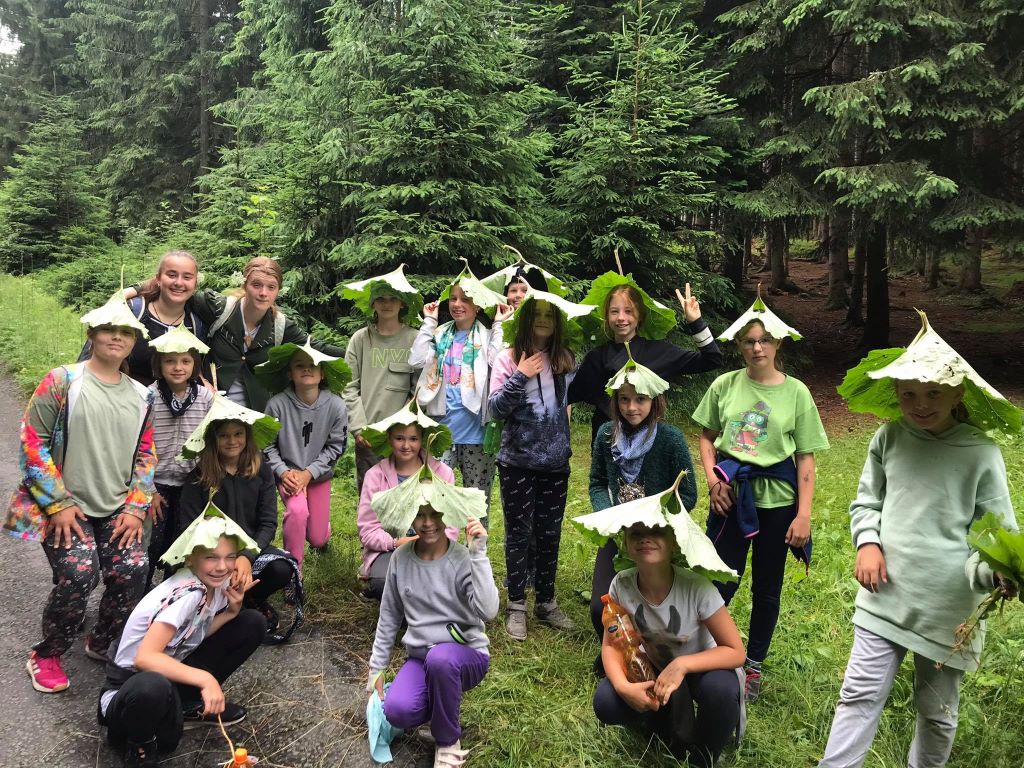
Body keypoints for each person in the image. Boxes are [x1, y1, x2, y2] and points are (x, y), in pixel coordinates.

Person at [818, 311, 1021, 768]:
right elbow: (866, 503)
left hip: (948, 611)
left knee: (937, 713)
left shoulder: (981, 454)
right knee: (858, 695)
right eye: (908, 393)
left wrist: (996, 574)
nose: (920, 404)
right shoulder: (888, 438)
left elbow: (994, 537)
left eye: (933, 393)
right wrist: (867, 543)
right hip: (884, 596)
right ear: (896, 392)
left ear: (958, 392)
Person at [6, 291, 156, 694]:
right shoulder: (62, 381)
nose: (116, 336)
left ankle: (103, 640)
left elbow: (146, 455)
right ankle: (48, 653)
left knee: (132, 570)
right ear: (92, 333)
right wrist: (57, 503)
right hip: (67, 507)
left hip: (117, 508)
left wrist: (136, 507)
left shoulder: (142, 395)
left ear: (133, 341)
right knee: (78, 573)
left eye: (126, 331)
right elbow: (33, 443)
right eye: (108, 329)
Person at [691, 297, 828, 701]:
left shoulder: (797, 393)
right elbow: (706, 437)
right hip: (732, 498)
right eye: (749, 341)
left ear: (778, 343)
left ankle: (753, 665)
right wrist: (713, 482)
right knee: (718, 580)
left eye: (765, 340)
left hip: (779, 505)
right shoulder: (725, 385)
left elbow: (805, 458)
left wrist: (804, 514)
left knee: (767, 588)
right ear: (738, 344)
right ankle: (706, 649)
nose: (757, 348)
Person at [574, 501, 744, 768]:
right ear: (625, 544)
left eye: (656, 531)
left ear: (674, 542)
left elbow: (736, 651)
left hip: (701, 666)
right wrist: (623, 687)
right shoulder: (621, 584)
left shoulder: (697, 588)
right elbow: (611, 646)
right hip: (652, 666)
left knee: (721, 691)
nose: (645, 538)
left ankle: (703, 755)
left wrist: (682, 665)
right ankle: (659, 726)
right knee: (606, 701)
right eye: (636, 533)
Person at [97, 508, 266, 767]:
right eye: (211, 557)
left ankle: (188, 705)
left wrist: (231, 612)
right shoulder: (187, 594)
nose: (222, 566)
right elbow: (145, 658)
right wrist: (205, 679)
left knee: (252, 622)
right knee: (154, 692)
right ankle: (138, 742)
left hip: (167, 676)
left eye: (230, 557)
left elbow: (192, 636)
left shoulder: (216, 584)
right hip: (129, 691)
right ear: (189, 559)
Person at [367, 473, 498, 768]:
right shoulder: (401, 558)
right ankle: (441, 705)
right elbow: (389, 615)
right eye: (419, 514)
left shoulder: (462, 558)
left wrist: (479, 554)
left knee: (441, 659)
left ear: (446, 513)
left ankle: (447, 740)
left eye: (435, 513)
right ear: (409, 517)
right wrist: (377, 667)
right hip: (421, 658)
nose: (428, 523)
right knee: (397, 711)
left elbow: (488, 611)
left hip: (466, 656)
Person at [488, 290, 593, 639]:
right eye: (537, 314)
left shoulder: (565, 359)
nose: (544, 320)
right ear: (526, 319)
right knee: (519, 533)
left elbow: (579, 396)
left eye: (550, 314)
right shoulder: (508, 358)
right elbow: (495, 409)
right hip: (517, 461)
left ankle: (546, 602)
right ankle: (516, 605)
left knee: (550, 533)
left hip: (555, 463)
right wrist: (520, 374)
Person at [134, 256, 344, 411]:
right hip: (211, 410)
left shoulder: (281, 326)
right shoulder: (219, 309)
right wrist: (131, 291)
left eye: (271, 287)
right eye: (256, 285)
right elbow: (179, 287)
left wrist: (355, 351)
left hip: (256, 417)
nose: (263, 293)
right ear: (245, 285)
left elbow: (317, 347)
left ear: (278, 291)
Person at [588, 352, 697, 641]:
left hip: (657, 534)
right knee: (601, 608)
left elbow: (688, 494)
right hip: (618, 532)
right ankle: (619, 652)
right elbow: (597, 483)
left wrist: (657, 520)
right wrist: (608, 516)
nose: (631, 407)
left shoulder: (671, 439)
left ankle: (652, 652)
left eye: (640, 399)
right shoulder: (605, 435)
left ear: (654, 400)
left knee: (653, 609)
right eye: (624, 399)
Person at [177, 399, 293, 633]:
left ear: (247, 436)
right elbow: (189, 529)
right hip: (211, 554)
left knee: (282, 568)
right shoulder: (198, 479)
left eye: (238, 434)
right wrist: (224, 560)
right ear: (213, 439)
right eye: (224, 436)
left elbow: (268, 523)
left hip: (250, 550)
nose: (232, 441)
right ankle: (220, 607)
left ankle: (250, 599)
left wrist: (246, 557)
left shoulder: (262, 470)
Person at [569, 274, 723, 445]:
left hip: (650, 444)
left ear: (640, 315)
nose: (621, 317)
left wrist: (696, 322)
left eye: (628, 311)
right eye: (614, 311)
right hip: (608, 445)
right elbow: (568, 394)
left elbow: (712, 359)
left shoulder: (658, 352)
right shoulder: (597, 358)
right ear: (606, 316)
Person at [410, 263, 508, 514]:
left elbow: (496, 362)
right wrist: (429, 321)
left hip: (477, 435)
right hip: (441, 434)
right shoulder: (439, 333)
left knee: (476, 505)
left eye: (465, 299)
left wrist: (499, 325)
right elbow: (417, 360)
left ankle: (476, 542)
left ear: (477, 306)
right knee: (432, 502)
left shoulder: (487, 335)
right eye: (453, 298)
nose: (457, 304)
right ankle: (440, 541)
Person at [259, 339, 350, 576]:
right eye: (300, 365)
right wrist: (283, 472)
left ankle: (322, 531)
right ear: (290, 373)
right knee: (297, 512)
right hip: (289, 476)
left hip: (318, 476)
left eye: (313, 365)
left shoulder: (336, 406)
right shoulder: (276, 405)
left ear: (322, 374)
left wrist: (309, 473)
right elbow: (266, 444)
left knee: (317, 538)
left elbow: (337, 446)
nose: (307, 369)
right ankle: (293, 571)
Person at [355, 402, 457, 601]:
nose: (406, 445)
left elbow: (451, 524)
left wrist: (432, 544)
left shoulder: (442, 473)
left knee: (445, 579)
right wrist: (395, 542)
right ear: (389, 439)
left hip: (434, 546)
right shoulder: (375, 475)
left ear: (423, 440)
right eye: (399, 438)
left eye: (413, 439)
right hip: (391, 549)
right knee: (383, 581)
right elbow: (368, 529)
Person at [144, 324, 214, 590]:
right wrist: (148, 489)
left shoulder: (205, 397)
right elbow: (139, 446)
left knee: (182, 540)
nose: (178, 367)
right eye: (170, 361)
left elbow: (211, 440)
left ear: (195, 364)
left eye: (185, 361)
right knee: (152, 542)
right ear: (159, 363)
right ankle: (143, 589)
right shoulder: (148, 396)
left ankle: (172, 591)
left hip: (190, 483)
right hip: (156, 484)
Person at [341, 266, 421, 494]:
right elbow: (348, 386)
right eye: (381, 299)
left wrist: (406, 428)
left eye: (393, 298)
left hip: (404, 437)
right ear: (373, 303)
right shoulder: (360, 339)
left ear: (402, 303)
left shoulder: (415, 339)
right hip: (368, 436)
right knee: (370, 496)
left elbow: (420, 389)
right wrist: (359, 428)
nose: (387, 304)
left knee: (405, 495)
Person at [92, 250, 206, 386]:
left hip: (171, 400)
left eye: (187, 277)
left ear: (195, 283)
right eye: (171, 275)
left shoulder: (196, 324)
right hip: (122, 394)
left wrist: (203, 382)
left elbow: (194, 370)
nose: (179, 282)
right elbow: (94, 354)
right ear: (158, 278)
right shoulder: (132, 312)